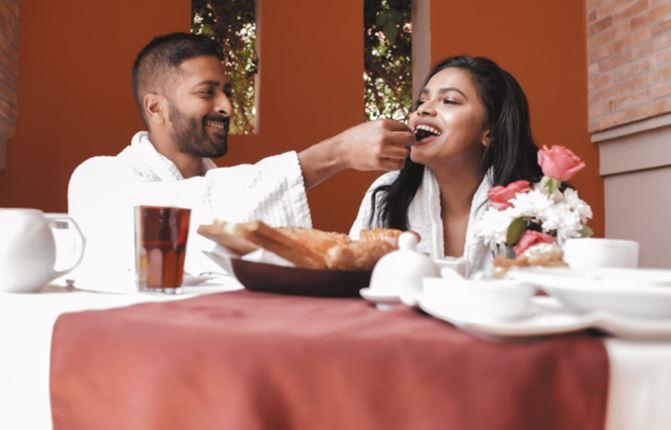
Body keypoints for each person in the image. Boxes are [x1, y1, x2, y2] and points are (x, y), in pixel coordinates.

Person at [68, 33, 413, 277]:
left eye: (227, 92)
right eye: (207, 92)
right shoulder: (97, 181)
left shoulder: (233, 192)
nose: (227, 107)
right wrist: (336, 153)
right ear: (156, 107)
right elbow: (175, 213)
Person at [350, 55, 543, 276]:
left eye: (449, 101)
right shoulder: (386, 194)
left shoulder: (537, 204)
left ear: (490, 133)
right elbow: (353, 276)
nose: (423, 110)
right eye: (421, 101)